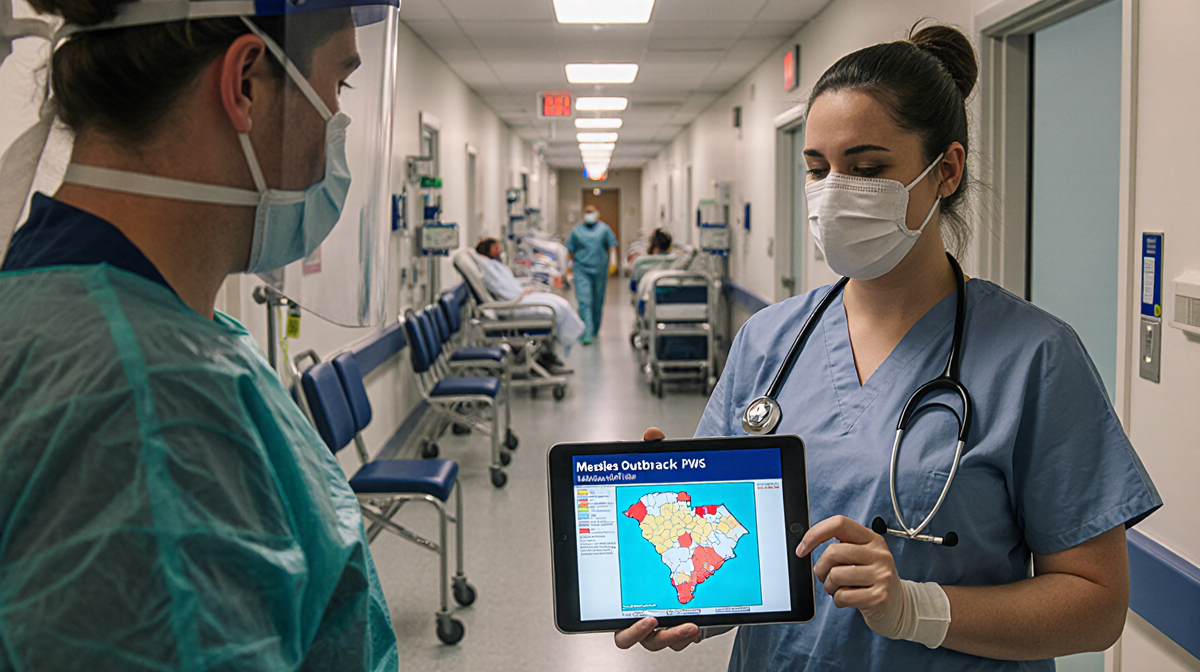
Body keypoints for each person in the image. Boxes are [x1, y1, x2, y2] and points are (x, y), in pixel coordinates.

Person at [614, 23, 1160, 671]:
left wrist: (914, 608)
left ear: (946, 171)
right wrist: (686, 592)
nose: (832, 192)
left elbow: (1097, 606)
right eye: (817, 169)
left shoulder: (1034, 357)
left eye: (867, 168)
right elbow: (746, 566)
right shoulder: (769, 341)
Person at [0, 1, 400, 669]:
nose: (337, 121)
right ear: (245, 84)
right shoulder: (149, 405)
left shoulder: (131, 323)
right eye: (339, 85)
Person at [474, 236, 583, 368]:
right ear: (486, 249)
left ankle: (547, 355)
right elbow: (501, 288)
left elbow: (507, 283)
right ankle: (547, 356)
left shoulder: (495, 265)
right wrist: (518, 292)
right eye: (496, 247)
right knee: (554, 307)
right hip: (513, 303)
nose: (499, 250)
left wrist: (521, 289)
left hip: (519, 296)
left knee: (559, 302)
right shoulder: (488, 269)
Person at [567, 204, 617, 345]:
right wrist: (569, 268)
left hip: (599, 270)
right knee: (584, 301)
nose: (589, 214)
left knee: (597, 301)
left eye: (592, 212)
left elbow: (612, 246)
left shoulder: (604, 229)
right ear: (583, 215)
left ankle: (594, 329)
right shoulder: (577, 231)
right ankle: (586, 331)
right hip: (581, 270)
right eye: (587, 212)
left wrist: (613, 262)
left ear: (597, 214)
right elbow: (571, 251)